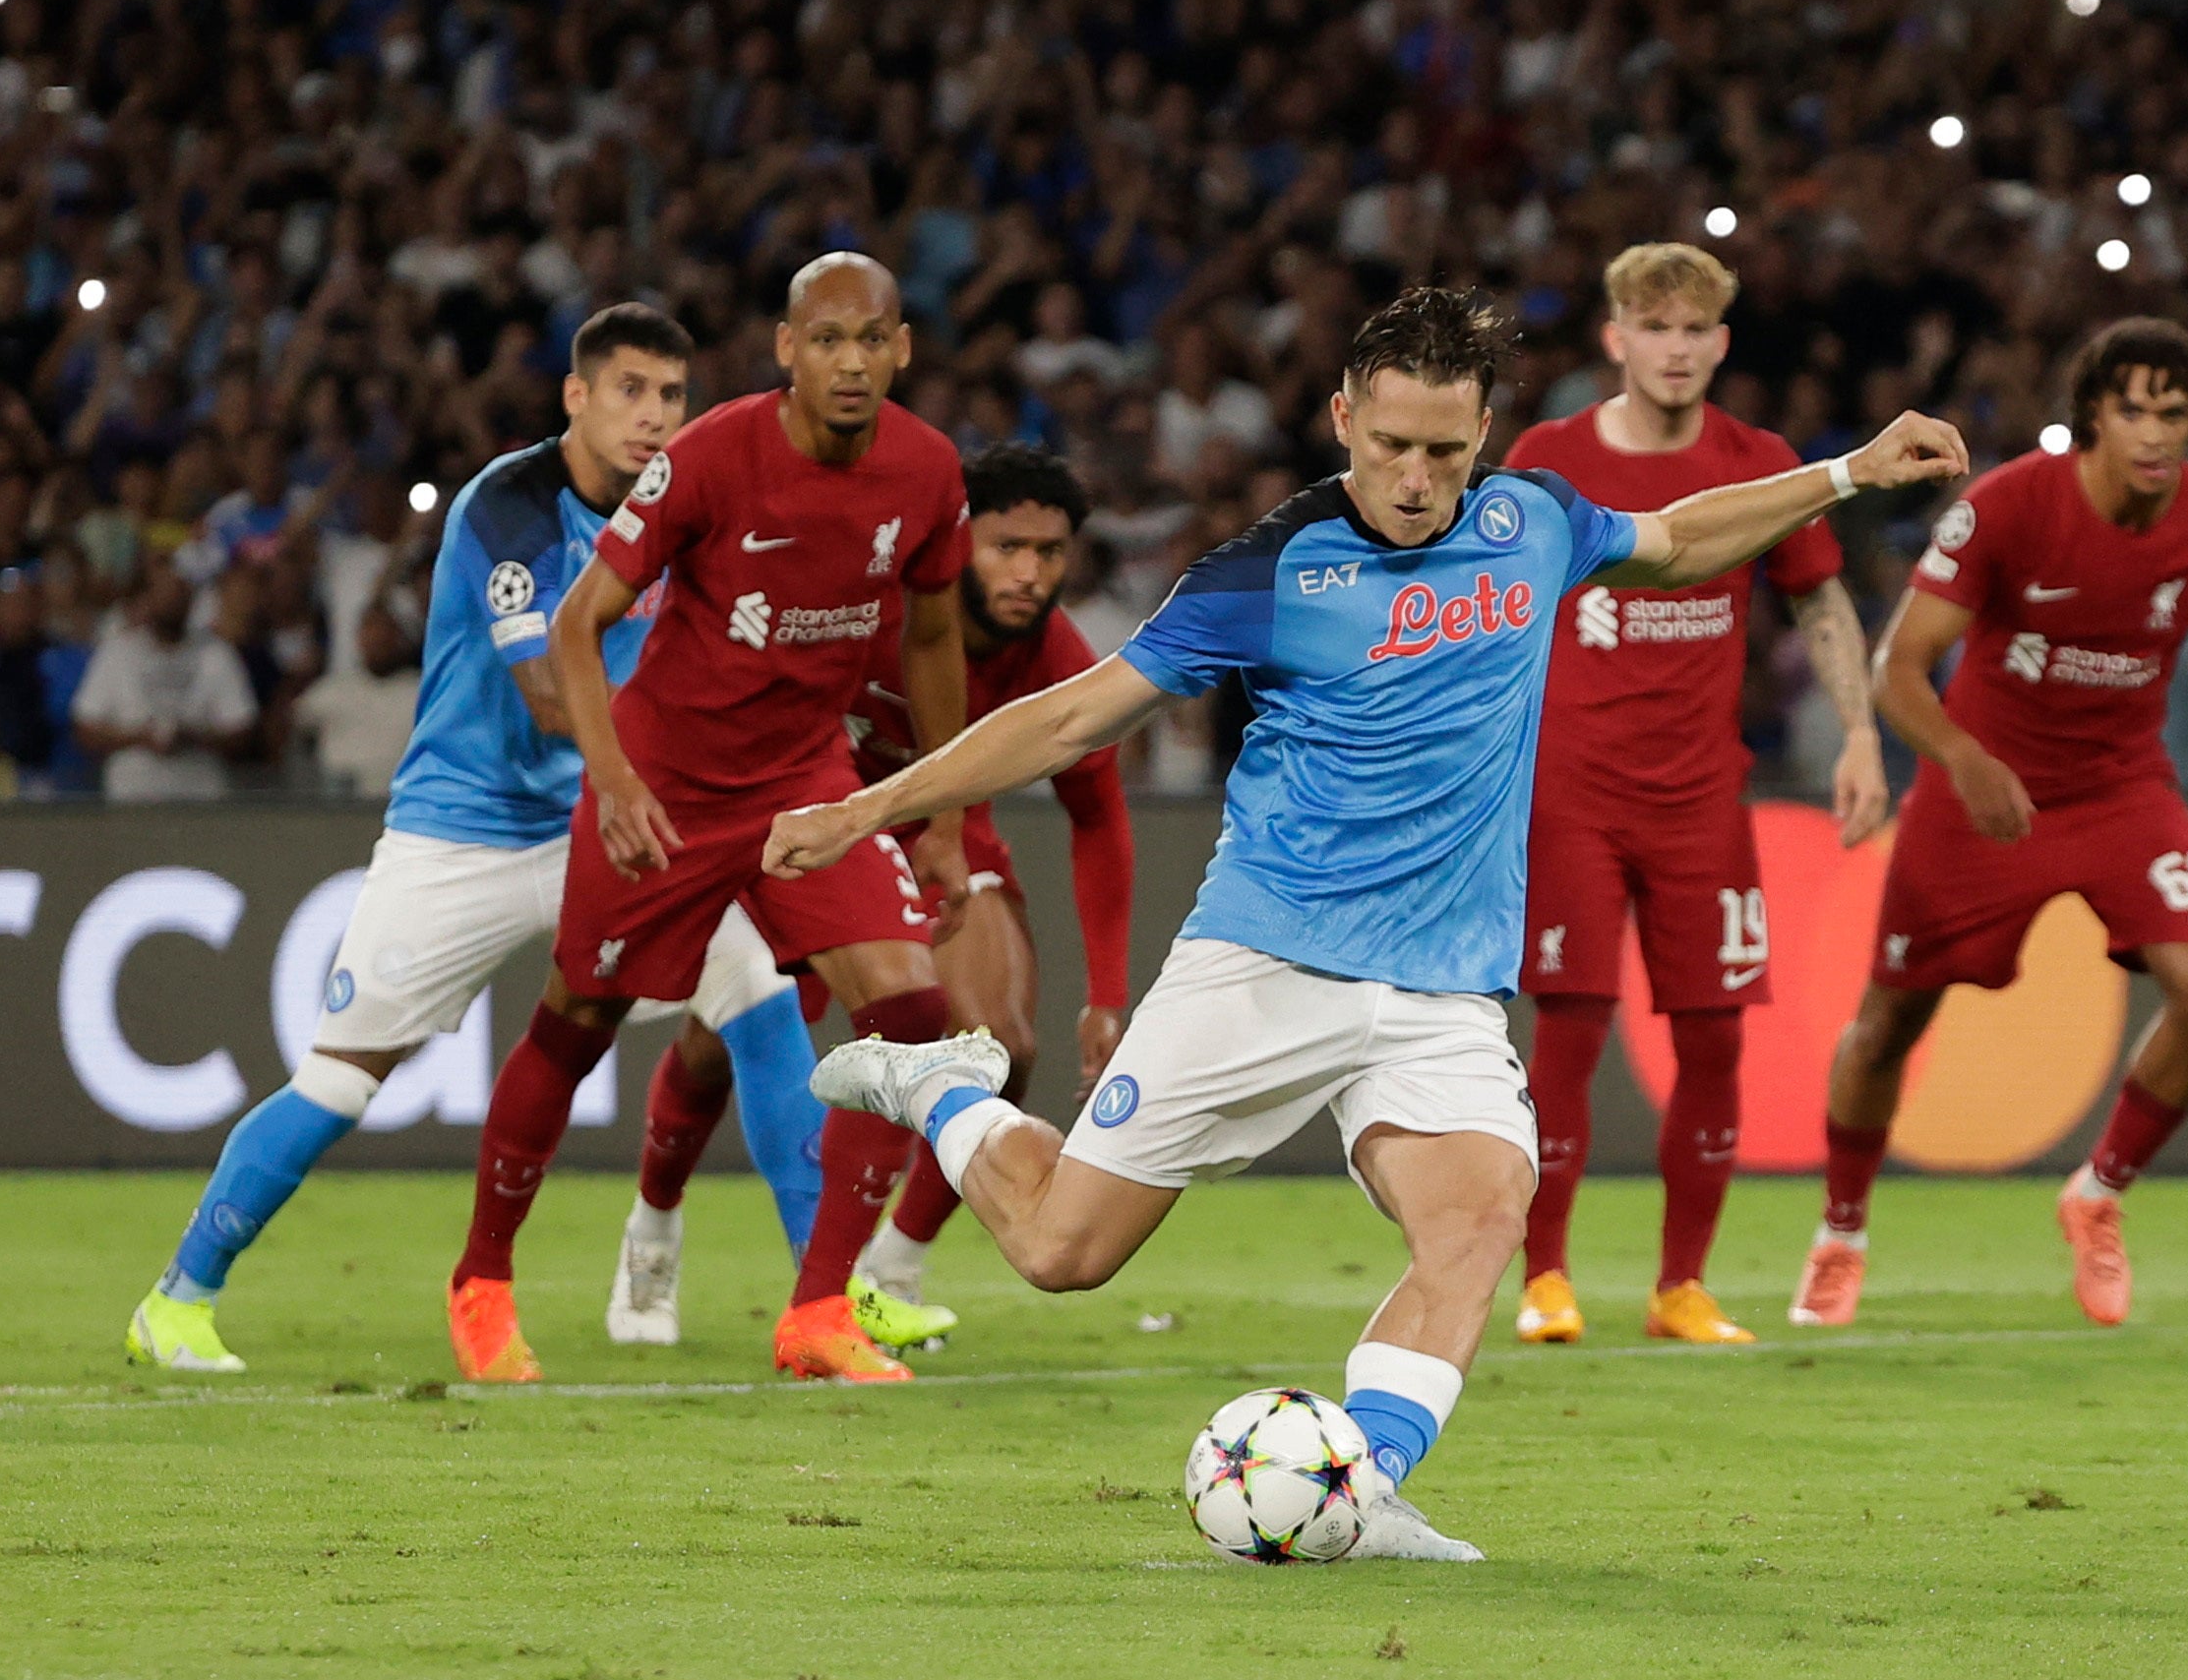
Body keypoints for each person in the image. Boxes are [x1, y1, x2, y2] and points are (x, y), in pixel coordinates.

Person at [770, 285, 1966, 1559]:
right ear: (1344, 419)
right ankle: (951, 1092)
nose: (1415, 477)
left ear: (1487, 433)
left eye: (1446, 451)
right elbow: (1073, 717)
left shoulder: (1536, 521)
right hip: (1264, 961)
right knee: (1064, 1252)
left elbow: (1677, 538)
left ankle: (1365, 1487)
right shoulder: (1269, 570)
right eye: (1390, 445)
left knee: (1480, 1216)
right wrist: (867, 809)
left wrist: (1844, 472)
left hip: (1442, 990)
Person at [121, 305, 823, 1374]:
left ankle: (821, 1303)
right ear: (575, 396)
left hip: (613, 816)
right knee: (342, 1078)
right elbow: (548, 691)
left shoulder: (688, 509)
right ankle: (179, 1296)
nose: (653, 416)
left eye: (671, 395)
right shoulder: (509, 505)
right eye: (628, 389)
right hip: (469, 829)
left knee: (761, 1000)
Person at [446, 253, 976, 1387]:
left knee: (918, 1014)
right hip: (666, 784)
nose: (849, 361)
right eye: (825, 338)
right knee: (579, 1013)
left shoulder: (928, 472)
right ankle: (482, 1279)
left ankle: (818, 1310)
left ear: (902, 349)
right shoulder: (709, 456)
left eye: (870, 339)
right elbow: (582, 624)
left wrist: (940, 812)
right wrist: (617, 777)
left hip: (805, 785)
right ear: (786, 348)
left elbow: (932, 641)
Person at [1793, 319, 2188, 1332]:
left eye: (2174, 413)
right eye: (2132, 408)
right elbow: (1898, 668)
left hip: (2120, 791)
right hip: (1985, 791)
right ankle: (1840, 1234)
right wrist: (1964, 758)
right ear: (2092, 414)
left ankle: (2097, 1193)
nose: (2152, 432)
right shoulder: (2010, 504)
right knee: (1890, 1022)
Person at [612, 444, 1136, 1349]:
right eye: (1008, 546)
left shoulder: (1059, 659)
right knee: (711, 1044)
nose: (1030, 573)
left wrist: (1108, 993)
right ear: (960, 539)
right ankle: (653, 1228)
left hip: (941, 832)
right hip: (804, 820)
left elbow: (1101, 816)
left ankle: (889, 1265)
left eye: (1051, 553)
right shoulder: (871, 606)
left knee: (998, 1047)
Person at [1499, 242, 1889, 1348]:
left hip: (1701, 798)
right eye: (1651, 327)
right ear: (1615, 339)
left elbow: (1818, 603)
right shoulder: (1548, 456)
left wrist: (1859, 731)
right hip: (1571, 788)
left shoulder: (1757, 459)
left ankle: (1681, 1285)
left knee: (1714, 1038)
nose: (1674, 348)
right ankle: (1547, 1276)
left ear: (1719, 344)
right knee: (1568, 1025)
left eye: (1693, 330)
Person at [71, 560, 259, 801]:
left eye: (179, 591)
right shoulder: (117, 651)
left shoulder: (216, 653)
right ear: (147, 596)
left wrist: (192, 738)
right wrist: (139, 737)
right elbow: (85, 728)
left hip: (200, 802)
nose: (172, 600)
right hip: (132, 801)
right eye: (163, 591)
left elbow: (242, 731)